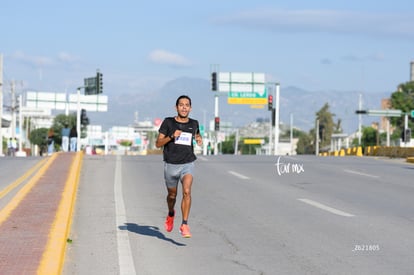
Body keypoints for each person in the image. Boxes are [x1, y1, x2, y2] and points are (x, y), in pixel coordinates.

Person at [155, 95, 202, 238]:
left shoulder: (194, 123)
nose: (184, 107)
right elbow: (158, 144)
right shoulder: (168, 122)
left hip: (187, 163)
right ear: (176, 107)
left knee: (187, 191)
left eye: (187, 105)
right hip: (171, 164)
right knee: (172, 195)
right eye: (181, 105)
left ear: (190, 108)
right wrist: (171, 137)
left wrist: (199, 139)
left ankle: (185, 224)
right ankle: (170, 213)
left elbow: (197, 135)